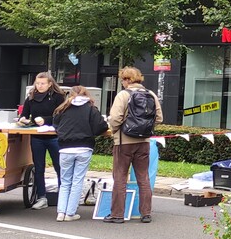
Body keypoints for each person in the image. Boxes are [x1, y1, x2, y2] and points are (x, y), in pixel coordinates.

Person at [105, 67, 163, 223]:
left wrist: (117, 130)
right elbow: (159, 118)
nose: (122, 83)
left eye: (123, 79)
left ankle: (117, 215)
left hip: (124, 142)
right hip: (144, 142)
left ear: (127, 80)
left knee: (120, 178)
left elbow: (115, 118)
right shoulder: (151, 94)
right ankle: (146, 213)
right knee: (143, 178)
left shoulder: (123, 95)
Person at [53, 86, 107, 222]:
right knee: (77, 181)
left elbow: (56, 125)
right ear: (86, 94)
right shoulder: (90, 108)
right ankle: (70, 213)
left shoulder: (63, 108)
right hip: (84, 147)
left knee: (65, 182)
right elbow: (101, 127)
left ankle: (61, 212)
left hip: (65, 148)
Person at [21, 71, 65, 209]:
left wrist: (46, 120)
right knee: (39, 168)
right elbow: (24, 114)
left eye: (42, 84)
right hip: (37, 136)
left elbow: (62, 116)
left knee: (59, 167)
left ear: (50, 84)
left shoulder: (59, 97)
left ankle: (63, 197)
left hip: (54, 137)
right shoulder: (31, 97)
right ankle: (42, 197)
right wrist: (24, 120)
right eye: (37, 83)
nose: (39, 86)